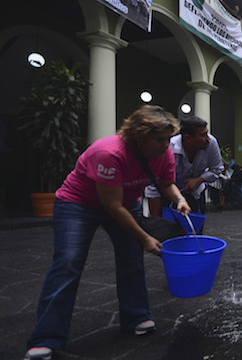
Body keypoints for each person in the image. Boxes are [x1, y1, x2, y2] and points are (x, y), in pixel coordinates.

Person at [24, 106, 191, 360]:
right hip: (78, 205)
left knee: (131, 260)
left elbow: (166, 183)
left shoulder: (163, 153)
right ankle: (45, 338)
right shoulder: (109, 152)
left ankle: (136, 318)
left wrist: (178, 199)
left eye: (168, 139)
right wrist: (144, 237)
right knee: (68, 263)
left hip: (126, 203)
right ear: (139, 136)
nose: (166, 145)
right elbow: (112, 206)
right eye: (160, 139)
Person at [145, 116, 223, 217]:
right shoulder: (170, 149)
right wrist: (155, 221)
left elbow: (217, 169)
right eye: (203, 135)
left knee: (195, 227)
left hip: (196, 193)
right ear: (188, 138)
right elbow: (154, 185)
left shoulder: (211, 143)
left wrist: (199, 180)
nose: (208, 138)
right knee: (166, 229)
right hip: (167, 194)